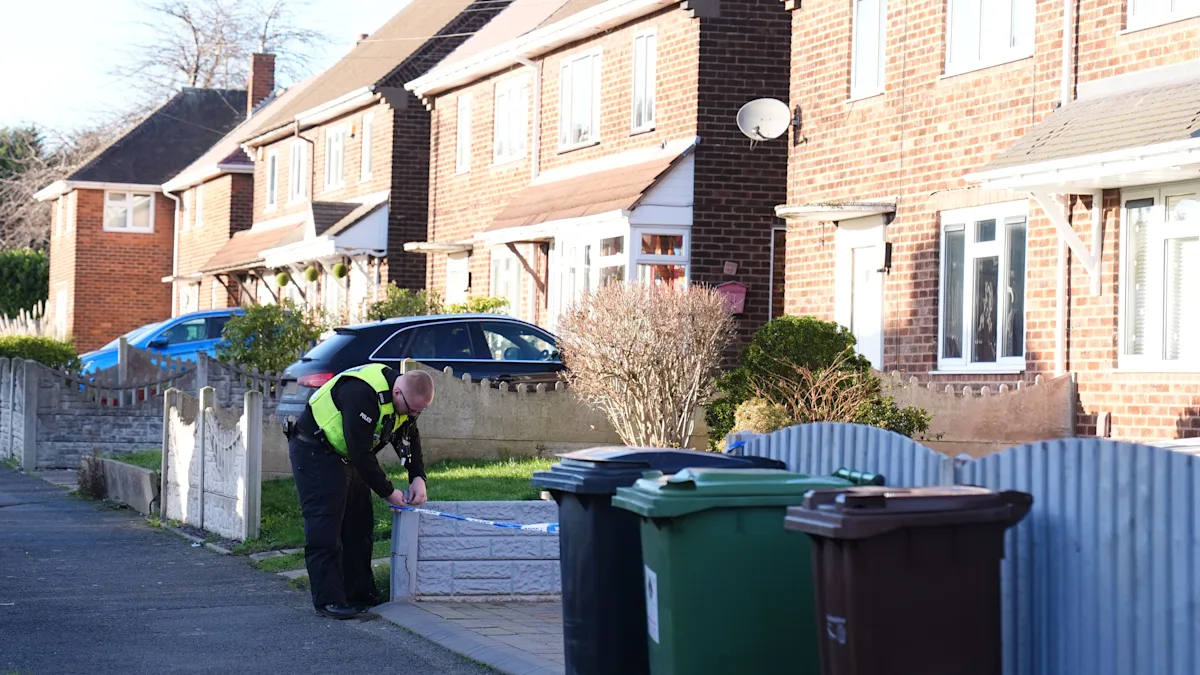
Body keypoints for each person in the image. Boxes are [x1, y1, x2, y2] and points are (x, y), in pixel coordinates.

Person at [286, 363, 434, 619]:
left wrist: (417, 476)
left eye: (419, 412)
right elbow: (360, 452)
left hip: (345, 454)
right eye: (412, 410)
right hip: (315, 450)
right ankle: (329, 600)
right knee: (326, 525)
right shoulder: (362, 393)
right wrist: (388, 491)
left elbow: (409, 436)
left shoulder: (404, 404)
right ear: (398, 393)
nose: (413, 416)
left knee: (359, 525)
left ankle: (360, 593)